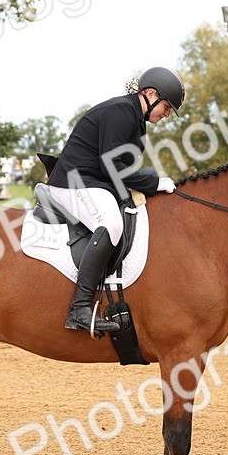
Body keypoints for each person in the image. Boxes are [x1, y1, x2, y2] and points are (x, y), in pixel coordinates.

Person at [47, 66, 185, 333]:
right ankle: (80, 309)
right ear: (150, 94)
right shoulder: (121, 112)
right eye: (166, 107)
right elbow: (112, 165)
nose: (166, 114)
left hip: (93, 183)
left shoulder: (135, 120)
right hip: (72, 183)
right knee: (111, 223)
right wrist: (154, 184)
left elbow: (122, 170)